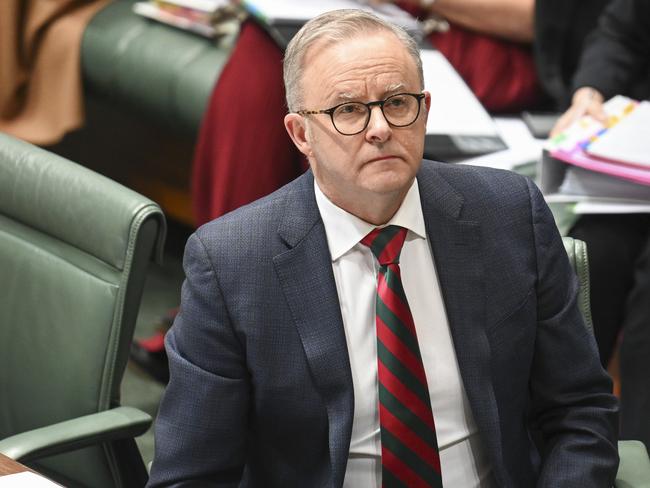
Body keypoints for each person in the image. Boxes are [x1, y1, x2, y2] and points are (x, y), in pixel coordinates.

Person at [148, 9, 618, 487]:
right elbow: (191, 474)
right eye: (347, 110)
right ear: (300, 134)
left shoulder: (511, 214)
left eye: (397, 102)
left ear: (426, 110)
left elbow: (580, 411)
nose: (379, 128)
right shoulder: (230, 263)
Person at [550, 0, 650, 449]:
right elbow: (621, 32)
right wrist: (590, 91)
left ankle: (639, 453)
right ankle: (563, 443)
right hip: (634, 171)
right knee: (586, 259)